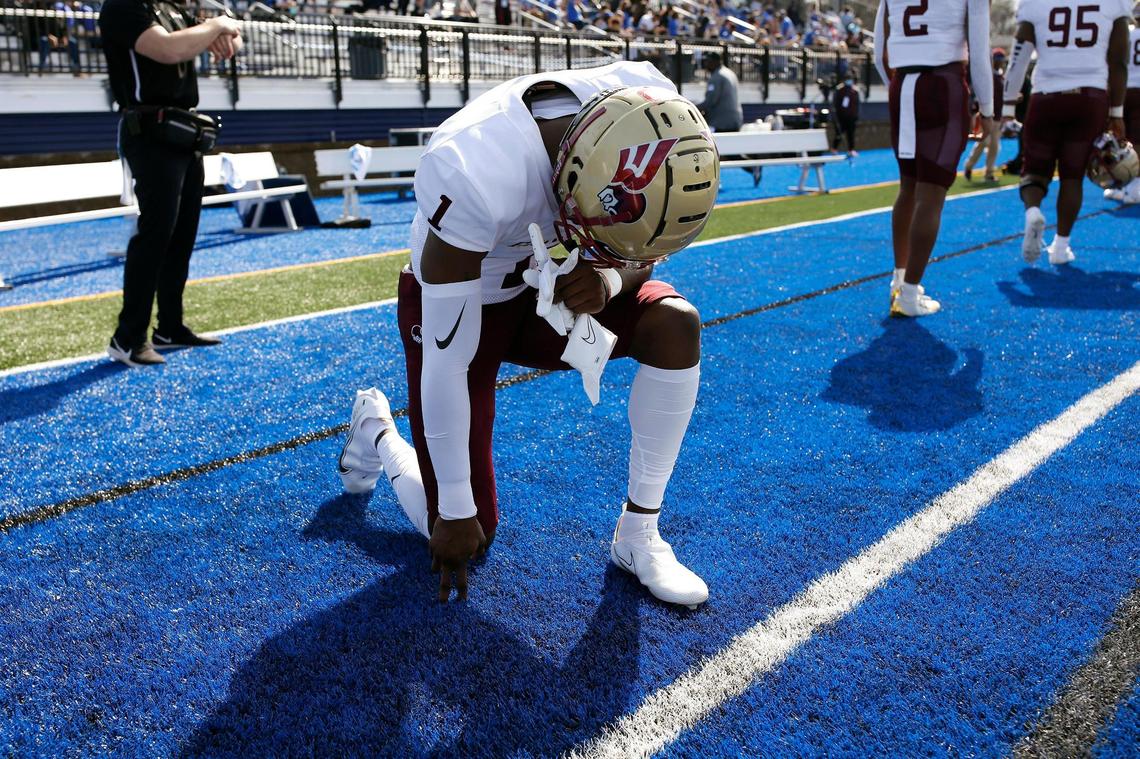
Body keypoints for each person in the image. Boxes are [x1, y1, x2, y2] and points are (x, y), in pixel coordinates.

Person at [335, 61, 720, 607]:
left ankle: (640, 534)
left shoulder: (654, 111)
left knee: (674, 325)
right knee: (470, 528)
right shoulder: (473, 166)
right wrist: (457, 512)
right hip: (467, 300)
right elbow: (448, 362)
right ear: (574, 174)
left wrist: (609, 277)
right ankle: (377, 429)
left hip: (551, 287)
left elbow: (642, 257)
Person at [98, 0, 242, 366]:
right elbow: (166, 49)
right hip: (148, 130)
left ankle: (170, 327)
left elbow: (232, 43)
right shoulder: (122, 6)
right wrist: (217, 25)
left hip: (183, 131)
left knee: (182, 234)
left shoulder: (171, 8)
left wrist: (228, 30)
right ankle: (127, 337)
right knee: (156, 233)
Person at [873, 0, 994, 318]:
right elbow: (980, 51)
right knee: (931, 193)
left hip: (904, 84)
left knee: (908, 187)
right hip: (943, 84)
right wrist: (988, 108)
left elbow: (877, 51)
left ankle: (899, 280)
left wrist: (898, 89)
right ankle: (909, 294)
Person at [1002, 0, 1133, 264]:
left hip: (1046, 94)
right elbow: (1118, 61)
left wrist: (1007, 105)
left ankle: (1033, 212)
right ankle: (1061, 247)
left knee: (1034, 170)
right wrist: (1116, 112)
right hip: (1090, 97)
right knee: (1072, 177)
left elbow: (1019, 56)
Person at [1105, 3, 1140, 203]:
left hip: (1126, 90)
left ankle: (1127, 184)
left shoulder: (1127, 33)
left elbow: (1115, 61)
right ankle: (1133, 185)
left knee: (1123, 138)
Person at [964, 48, 1007, 183]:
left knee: (994, 146)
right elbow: (979, 94)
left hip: (998, 117)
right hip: (986, 115)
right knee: (983, 143)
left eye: (1001, 61)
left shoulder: (1000, 77)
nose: (1000, 64)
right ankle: (969, 166)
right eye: (998, 61)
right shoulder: (987, 76)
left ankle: (989, 172)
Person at [698, 51, 743, 132]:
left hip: (722, 124)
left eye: (708, 61)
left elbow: (710, 101)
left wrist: (693, 108)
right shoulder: (730, 72)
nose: (705, 64)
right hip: (735, 121)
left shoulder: (717, 77)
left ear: (715, 62)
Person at [831, 74, 860, 156]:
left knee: (851, 134)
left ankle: (851, 149)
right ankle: (834, 148)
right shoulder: (840, 90)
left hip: (851, 117)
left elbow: (856, 105)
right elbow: (836, 104)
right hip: (841, 117)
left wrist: (856, 115)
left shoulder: (855, 91)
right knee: (839, 133)